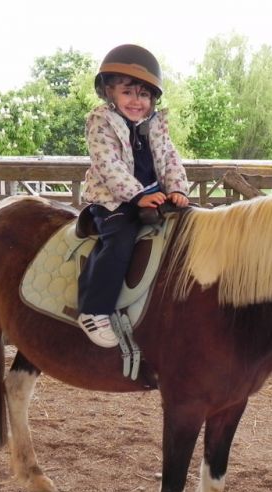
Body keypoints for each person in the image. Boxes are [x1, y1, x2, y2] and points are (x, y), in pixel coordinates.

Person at [77, 44, 189, 347]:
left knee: (189, 229)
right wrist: (136, 195)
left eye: (144, 94)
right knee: (119, 240)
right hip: (113, 198)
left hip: (153, 194)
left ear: (153, 99)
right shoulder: (101, 121)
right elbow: (108, 164)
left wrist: (177, 189)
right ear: (109, 92)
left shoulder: (155, 124)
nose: (136, 101)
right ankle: (94, 309)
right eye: (127, 92)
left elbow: (170, 159)